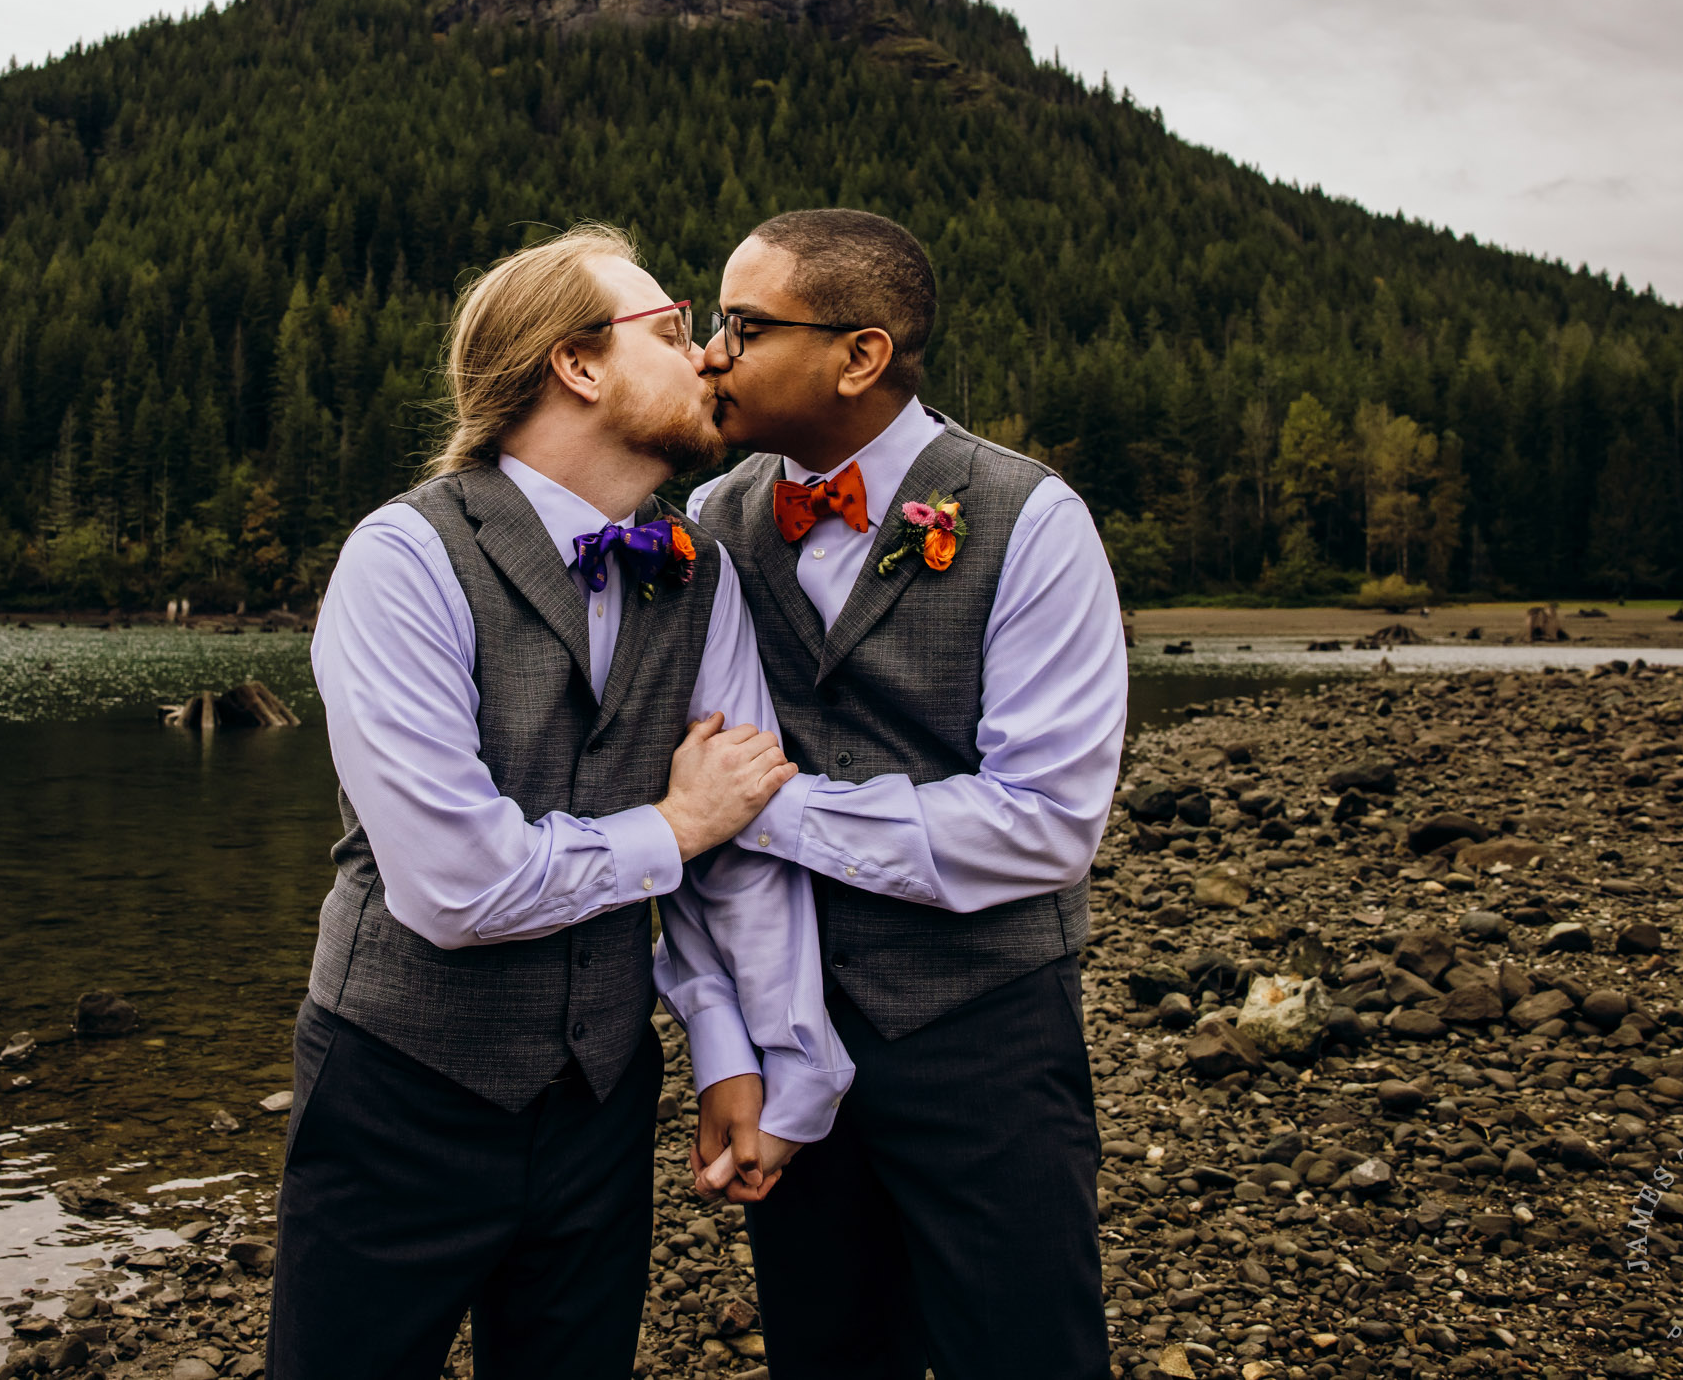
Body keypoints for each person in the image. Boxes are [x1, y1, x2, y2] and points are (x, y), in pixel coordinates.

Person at [269, 223, 852, 1380]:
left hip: (599, 1094)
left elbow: (739, 837)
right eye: (677, 329)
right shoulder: (403, 558)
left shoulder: (702, 568)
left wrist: (745, 1051)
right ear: (575, 365)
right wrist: (671, 825)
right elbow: (455, 882)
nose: (711, 357)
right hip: (398, 1084)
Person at [687, 208, 1127, 1380]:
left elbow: (1044, 822)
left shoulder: (1031, 519)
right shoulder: (707, 522)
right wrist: (726, 1029)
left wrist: (763, 808)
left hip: (985, 1027)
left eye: (741, 325)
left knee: (1028, 1349)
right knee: (824, 1353)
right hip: (794, 1028)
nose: (707, 352)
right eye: (706, 322)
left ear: (859, 354)